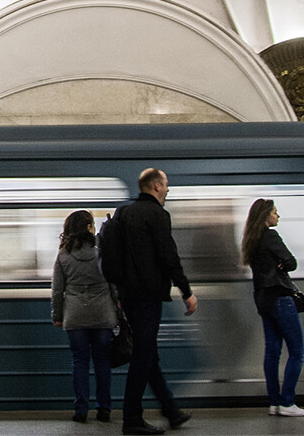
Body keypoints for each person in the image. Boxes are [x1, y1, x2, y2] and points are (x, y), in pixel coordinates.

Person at [113, 168, 195, 436]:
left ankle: (171, 410)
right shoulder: (158, 215)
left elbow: (116, 256)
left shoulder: (123, 213)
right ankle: (132, 419)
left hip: (128, 296)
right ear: (156, 186)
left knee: (149, 355)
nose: (168, 189)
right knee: (143, 356)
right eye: (167, 185)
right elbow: (168, 256)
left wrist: (119, 293)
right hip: (148, 296)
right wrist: (186, 290)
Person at [240, 199, 304, 417]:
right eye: (275, 212)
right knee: (297, 351)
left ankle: (274, 402)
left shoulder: (252, 239)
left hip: (263, 300)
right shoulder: (270, 235)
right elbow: (291, 262)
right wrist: (282, 263)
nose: (278, 216)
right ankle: (287, 402)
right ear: (266, 216)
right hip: (280, 297)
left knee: (272, 352)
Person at [52, 209, 117, 424]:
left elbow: (57, 290)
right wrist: (117, 309)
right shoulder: (102, 253)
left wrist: (58, 315)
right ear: (88, 228)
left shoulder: (63, 255)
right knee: (102, 361)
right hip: (102, 314)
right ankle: (104, 409)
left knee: (79, 361)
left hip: (75, 315)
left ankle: (81, 410)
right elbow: (113, 284)